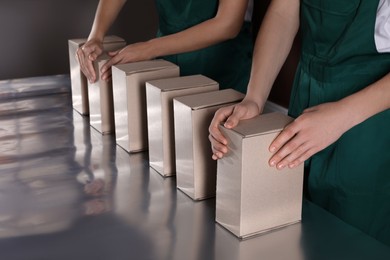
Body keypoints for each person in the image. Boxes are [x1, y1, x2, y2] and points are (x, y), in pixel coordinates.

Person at [209, 0, 390, 246]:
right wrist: (254, 98)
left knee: (353, 240)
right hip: (305, 98)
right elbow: (284, 11)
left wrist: (341, 117)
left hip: (369, 121)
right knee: (297, 231)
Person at [76, 0, 254, 94]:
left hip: (224, 65)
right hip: (168, 59)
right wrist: (96, 35)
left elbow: (228, 24)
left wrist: (150, 48)